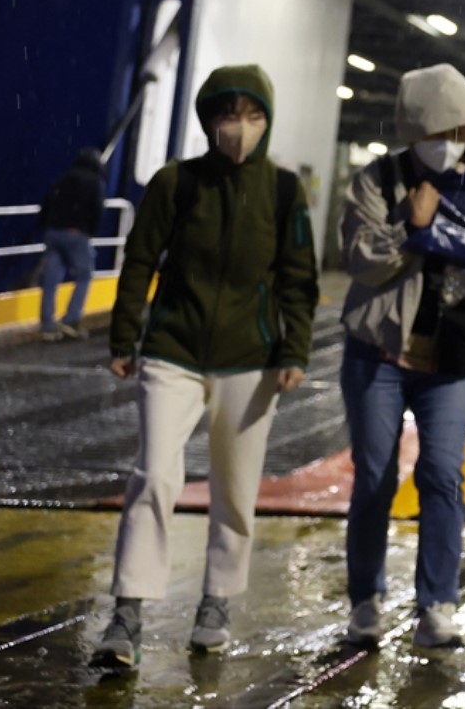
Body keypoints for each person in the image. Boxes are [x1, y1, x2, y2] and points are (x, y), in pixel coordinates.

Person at [92, 66, 317, 669]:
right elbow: (139, 261)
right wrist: (124, 337)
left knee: (236, 490)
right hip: (173, 351)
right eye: (226, 115)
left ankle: (216, 600)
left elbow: (299, 279)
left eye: (251, 115)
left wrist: (294, 350)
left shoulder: (285, 192)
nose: (238, 128)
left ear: (267, 120)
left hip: (252, 359)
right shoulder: (176, 183)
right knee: (153, 475)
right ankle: (128, 611)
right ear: (207, 121)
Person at [337, 63, 465, 652]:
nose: (451, 144)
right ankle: (366, 599)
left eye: (462, 132)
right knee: (374, 478)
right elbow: (362, 259)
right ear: (414, 130)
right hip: (378, 356)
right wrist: (412, 228)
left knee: (443, 474)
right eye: (441, 131)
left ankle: (437, 605)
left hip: (448, 362)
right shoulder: (376, 180)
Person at [36, 147, 106, 342]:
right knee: (84, 275)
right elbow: (97, 210)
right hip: (76, 234)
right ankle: (71, 319)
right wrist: (90, 231)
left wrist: (47, 226)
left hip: (52, 233)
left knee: (50, 280)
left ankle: (47, 325)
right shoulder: (94, 182)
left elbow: (47, 203)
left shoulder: (62, 178)